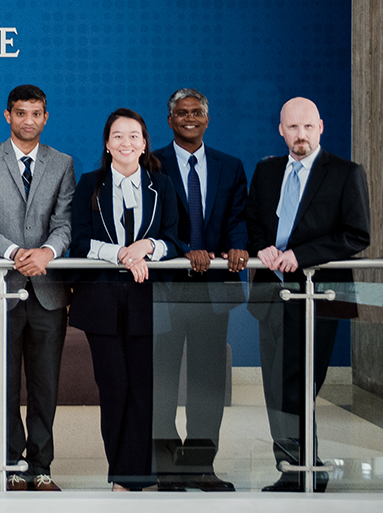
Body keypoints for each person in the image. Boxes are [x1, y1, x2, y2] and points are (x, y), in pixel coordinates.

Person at [245, 97, 369, 493]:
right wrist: (262, 248)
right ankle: (293, 468)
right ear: (281, 130)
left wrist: (302, 255)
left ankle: (305, 470)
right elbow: (252, 221)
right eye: (293, 128)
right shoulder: (266, 170)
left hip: (318, 296)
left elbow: (357, 234)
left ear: (320, 127)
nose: (302, 135)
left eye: (308, 127)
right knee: (275, 387)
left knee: (298, 386)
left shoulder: (346, 173)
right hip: (271, 294)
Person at [0, 84, 75, 491]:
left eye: (36, 113)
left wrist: (46, 252)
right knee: (6, 385)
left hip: (48, 290)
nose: (28, 120)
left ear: (46, 117)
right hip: (1, 290)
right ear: (7, 115)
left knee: (46, 385)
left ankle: (41, 467)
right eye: (20, 112)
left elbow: (65, 222)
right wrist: (15, 253)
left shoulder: (62, 163)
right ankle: (11, 466)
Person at [69, 108, 184, 491]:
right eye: (118, 135)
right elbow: (79, 241)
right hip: (101, 300)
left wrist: (147, 247)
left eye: (134, 135)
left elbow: (174, 239)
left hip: (147, 298)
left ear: (144, 142)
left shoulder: (161, 185)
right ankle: (121, 475)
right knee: (114, 388)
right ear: (107, 143)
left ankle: (139, 473)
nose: (126, 142)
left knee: (143, 389)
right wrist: (120, 254)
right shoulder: (90, 183)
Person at [149, 88, 245, 492]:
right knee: (161, 382)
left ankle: (201, 466)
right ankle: (167, 467)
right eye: (182, 112)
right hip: (166, 289)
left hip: (213, 290)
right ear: (170, 120)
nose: (190, 118)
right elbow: (152, 222)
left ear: (207, 119)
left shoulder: (230, 166)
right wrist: (185, 249)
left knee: (207, 383)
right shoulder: (151, 162)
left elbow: (237, 218)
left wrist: (238, 246)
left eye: (196, 112)